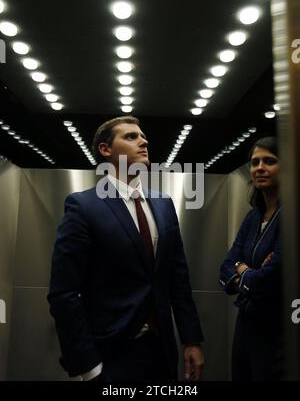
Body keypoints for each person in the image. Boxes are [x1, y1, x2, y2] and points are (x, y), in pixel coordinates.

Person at [48, 116, 204, 381]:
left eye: (143, 137)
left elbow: (178, 278)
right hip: (110, 354)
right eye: (130, 136)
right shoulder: (84, 206)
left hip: (161, 351)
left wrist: (191, 340)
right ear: (106, 150)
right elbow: (64, 293)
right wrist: (88, 366)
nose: (143, 141)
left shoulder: (163, 204)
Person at [219, 136, 284, 381]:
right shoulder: (253, 217)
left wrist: (242, 271)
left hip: (276, 329)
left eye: (269, 161)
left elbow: (271, 277)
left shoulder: (291, 215)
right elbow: (226, 265)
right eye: (255, 162)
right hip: (246, 323)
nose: (260, 168)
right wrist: (245, 272)